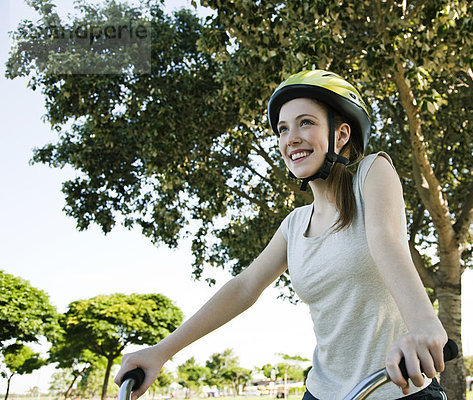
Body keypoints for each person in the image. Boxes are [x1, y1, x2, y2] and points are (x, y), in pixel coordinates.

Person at [114, 70, 449, 400]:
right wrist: (160, 352)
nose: (291, 138)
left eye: (306, 122)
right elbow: (244, 287)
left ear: (342, 134)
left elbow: (386, 242)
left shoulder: (371, 174)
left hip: (397, 388)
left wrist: (423, 323)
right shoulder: (294, 225)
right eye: (283, 129)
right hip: (322, 393)